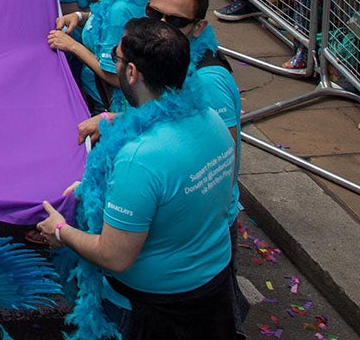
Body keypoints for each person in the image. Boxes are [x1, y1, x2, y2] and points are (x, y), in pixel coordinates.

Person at [35, 18, 240, 340]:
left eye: (115, 58)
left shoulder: (139, 159)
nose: (112, 65)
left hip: (155, 310)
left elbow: (114, 256)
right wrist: (109, 120)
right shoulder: (211, 119)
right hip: (212, 288)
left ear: (132, 72)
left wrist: (61, 231)